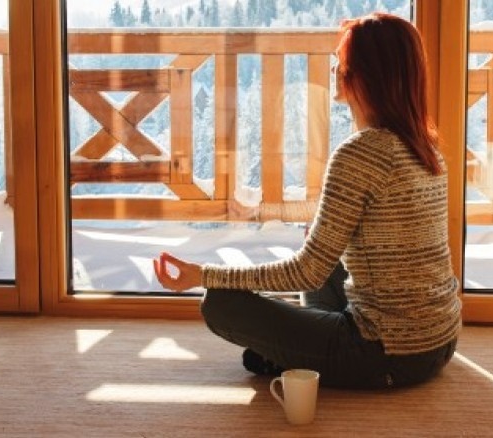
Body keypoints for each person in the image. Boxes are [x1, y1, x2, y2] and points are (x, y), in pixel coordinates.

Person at [153, 12, 461, 390]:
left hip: (387, 353)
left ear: (366, 74)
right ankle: (298, 352)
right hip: (440, 340)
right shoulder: (425, 147)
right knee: (323, 251)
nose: (335, 67)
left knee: (220, 303)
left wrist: (204, 275)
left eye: (342, 61)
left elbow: (307, 272)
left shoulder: (361, 153)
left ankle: (301, 356)